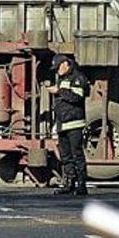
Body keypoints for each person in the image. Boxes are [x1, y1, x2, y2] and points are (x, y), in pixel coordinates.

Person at [48, 54, 90, 196]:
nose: (57, 71)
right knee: (65, 157)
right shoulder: (62, 79)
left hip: (74, 123)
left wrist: (59, 91)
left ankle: (81, 185)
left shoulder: (78, 78)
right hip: (62, 124)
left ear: (66, 64)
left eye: (58, 67)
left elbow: (77, 97)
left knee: (77, 154)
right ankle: (69, 183)